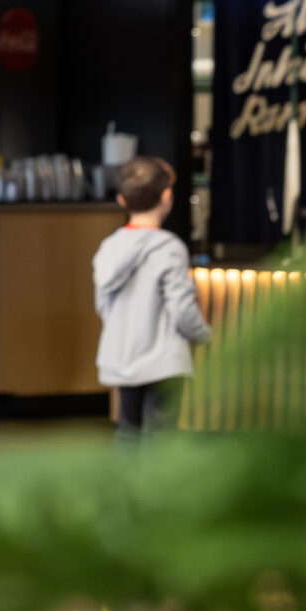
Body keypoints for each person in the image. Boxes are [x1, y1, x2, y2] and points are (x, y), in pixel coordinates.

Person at [93, 156, 209, 436]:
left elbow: (102, 306)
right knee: (162, 439)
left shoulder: (108, 248)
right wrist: (205, 334)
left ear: (121, 200)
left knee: (127, 432)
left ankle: (123, 482)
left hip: (122, 357)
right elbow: (182, 309)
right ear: (167, 196)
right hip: (164, 362)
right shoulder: (169, 247)